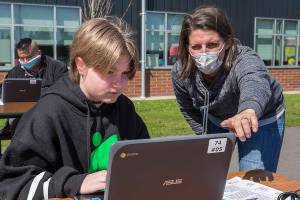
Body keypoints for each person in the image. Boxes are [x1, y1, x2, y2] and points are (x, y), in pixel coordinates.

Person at [0, 17, 149, 199]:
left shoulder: (124, 108)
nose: (119, 84)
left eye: (125, 73)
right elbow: (11, 185)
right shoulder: (48, 113)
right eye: (109, 71)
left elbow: (145, 159)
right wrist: (75, 182)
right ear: (81, 65)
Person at [172, 5, 285, 172]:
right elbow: (187, 108)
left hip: (258, 119)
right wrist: (203, 134)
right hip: (217, 120)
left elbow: (254, 82)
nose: (204, 53)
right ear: (187, 47)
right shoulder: (181, 71)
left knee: (253, 177)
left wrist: (247, 111)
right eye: (196, 47)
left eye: (212, 45)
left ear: (227, 42)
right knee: (209, 175)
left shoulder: (245, 58)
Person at [0, 38, 68, 136]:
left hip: (48, 112)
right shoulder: (15, 72)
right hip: (20, 115)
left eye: (29, 57)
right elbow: (4, 94)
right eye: (21, 58)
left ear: (38, 53)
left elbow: (65, 91)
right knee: (15, 123)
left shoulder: (57, 68)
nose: (25, 61)